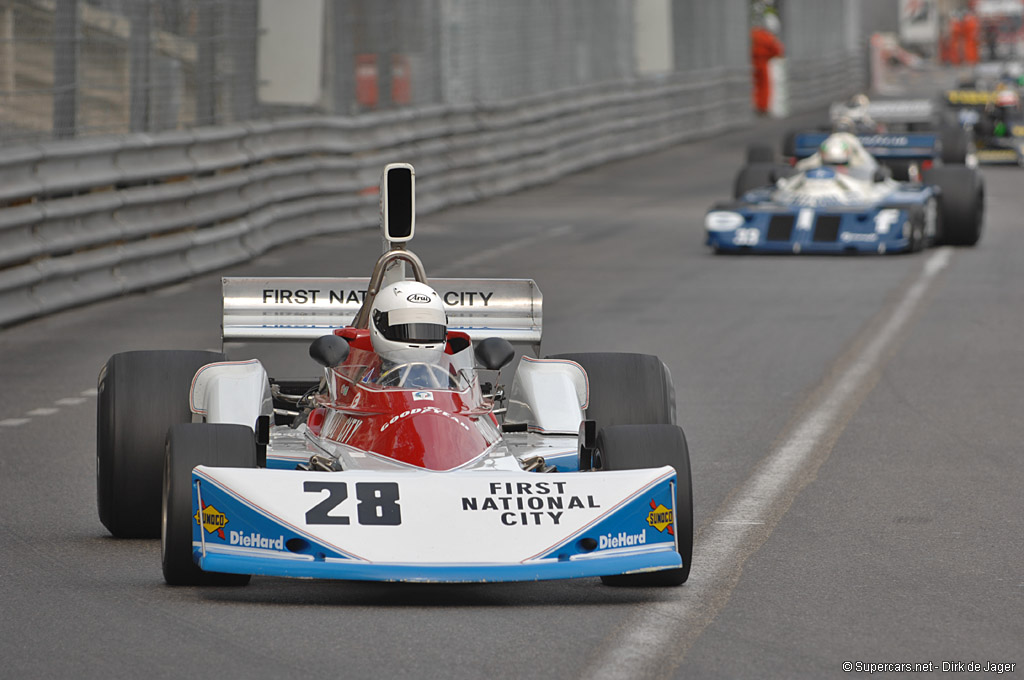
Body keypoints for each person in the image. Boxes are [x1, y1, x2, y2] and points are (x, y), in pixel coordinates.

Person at [368, 280, 451, 388]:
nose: (420, 338)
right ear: (378, 323)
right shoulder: (365, 378)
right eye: (406, 329)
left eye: (429, 330)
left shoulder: (452, 382)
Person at [751, 16, 784, 115]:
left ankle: (754, 105)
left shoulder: (753, 33)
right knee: (764, 86)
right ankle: (762, 106)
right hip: (762, 62)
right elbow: (778, 51)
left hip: (751, 62)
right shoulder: (768, 37)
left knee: (753, 86)